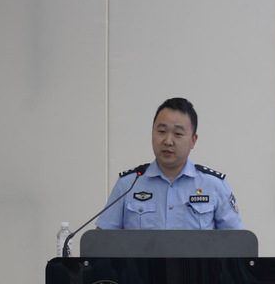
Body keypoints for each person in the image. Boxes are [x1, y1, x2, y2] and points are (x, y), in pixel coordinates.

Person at [96, 97, 243, 230]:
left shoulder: (214, 185)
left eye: (178, 134)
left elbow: (237, 243)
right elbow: (100, 243)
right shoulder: (129, 184)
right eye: (161, 131)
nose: (168, 141)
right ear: (152, 133)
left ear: (193, 140)